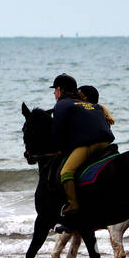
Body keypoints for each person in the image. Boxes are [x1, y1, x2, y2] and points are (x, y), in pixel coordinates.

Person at [50, 73, 115, 217]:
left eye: (54, 90)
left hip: (89, 145)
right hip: (106, 144)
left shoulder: (61, 104)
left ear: (60, 90)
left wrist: (59, 149)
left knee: (66, 172)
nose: (54, 93)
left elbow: (58, 132)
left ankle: (73, 205)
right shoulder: (91, 104)